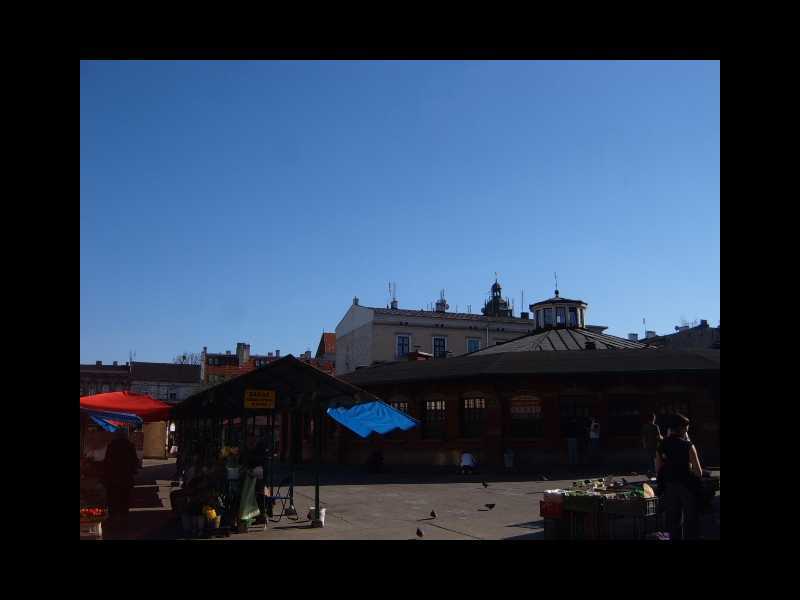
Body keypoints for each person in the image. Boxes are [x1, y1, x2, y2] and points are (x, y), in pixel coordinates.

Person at [656, 413, 703, 541]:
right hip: (687, 487)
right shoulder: (688, 446)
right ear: (682, 428)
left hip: (670, 487)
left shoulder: (661, 446)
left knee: (671, 522)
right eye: (686, 428)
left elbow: (658, 469)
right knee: (690, 520)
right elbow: (699, 472)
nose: (687, 430)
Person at [103, 427, 139, 524]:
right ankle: (123, 517)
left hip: (113, 477)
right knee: (124, 498)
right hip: (126, 477)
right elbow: (134, 461)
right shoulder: (130, 445)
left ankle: (112, 517)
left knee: (112, 498)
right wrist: (133, 470)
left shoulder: (111, 445)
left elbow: (107, 461)